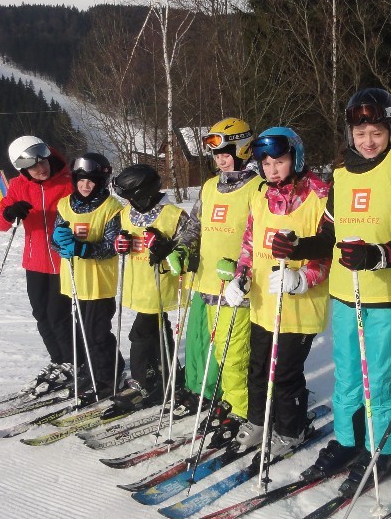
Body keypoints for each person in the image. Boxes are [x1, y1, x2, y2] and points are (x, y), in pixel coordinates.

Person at [272, 89, 391, 486]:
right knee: (349, 376)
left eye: (377, 132)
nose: (368, 141)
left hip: (389, 296)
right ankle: (349, 441)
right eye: (360, 133)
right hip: (345, 294)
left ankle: (383, 448)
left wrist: (378, 255)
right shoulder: (341, 174)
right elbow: (329, 236)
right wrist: (298, 247)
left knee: (378, 379)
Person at [223, 127, 332, 457]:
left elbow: (330, 251)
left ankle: (290, 429)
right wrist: (240, 277)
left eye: (279, 161)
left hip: (299, 305)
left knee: (284, 373)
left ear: (295, 158)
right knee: (257, 368)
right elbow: (249, 244)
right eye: (266, 163)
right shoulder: (261, 196)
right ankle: (258, 421)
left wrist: (303, 278)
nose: (272, 169)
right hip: (263, 302)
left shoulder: (320, 196)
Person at [177, 118, 262, 443]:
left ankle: (241, 408)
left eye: (226, 153)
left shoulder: (258, 187)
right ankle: (229, 399)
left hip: (239, 287)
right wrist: (181, 249)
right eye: (216, 154)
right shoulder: (210, 186)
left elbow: (261, 235)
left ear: (243, 150)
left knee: (234, 353)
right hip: (208, 284)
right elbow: (194, 226)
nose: (221, 160)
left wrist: (244, 269)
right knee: (219, 352)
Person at [0, 136, 74, 390]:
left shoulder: (68, 183)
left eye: (43, 162)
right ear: (23, 169)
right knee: (41, 314)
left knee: (58, 315)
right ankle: (58, 360)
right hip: (34, 261)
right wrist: (9, 213)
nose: (41, 168)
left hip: (63, 260)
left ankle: (73, 361)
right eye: (33, 166)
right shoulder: (18, 186)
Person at [108, 164, 191, 414]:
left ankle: (143, 382)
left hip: (161, 285)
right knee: (158, 332)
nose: (128, 202)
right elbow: (116, 238)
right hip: (138, 285)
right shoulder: (126, 213)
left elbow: (189, 252)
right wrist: (120, 244)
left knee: (141, 334)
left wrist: (165, 247)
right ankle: (166, 375)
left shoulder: (174, 215)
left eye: (131, 197)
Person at [51, 152, 124, 400]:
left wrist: (82, 248)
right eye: (81, 180)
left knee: (97, 333)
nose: (85, 186)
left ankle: (107, 377)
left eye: (91, 181)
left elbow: (113, 245)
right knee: (82, 330)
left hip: (98, 282)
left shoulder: (111, 208)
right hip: (74, 280)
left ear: (101, 182)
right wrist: (59, 242)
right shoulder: (64, 204)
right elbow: (55, 239)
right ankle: (92, 369)